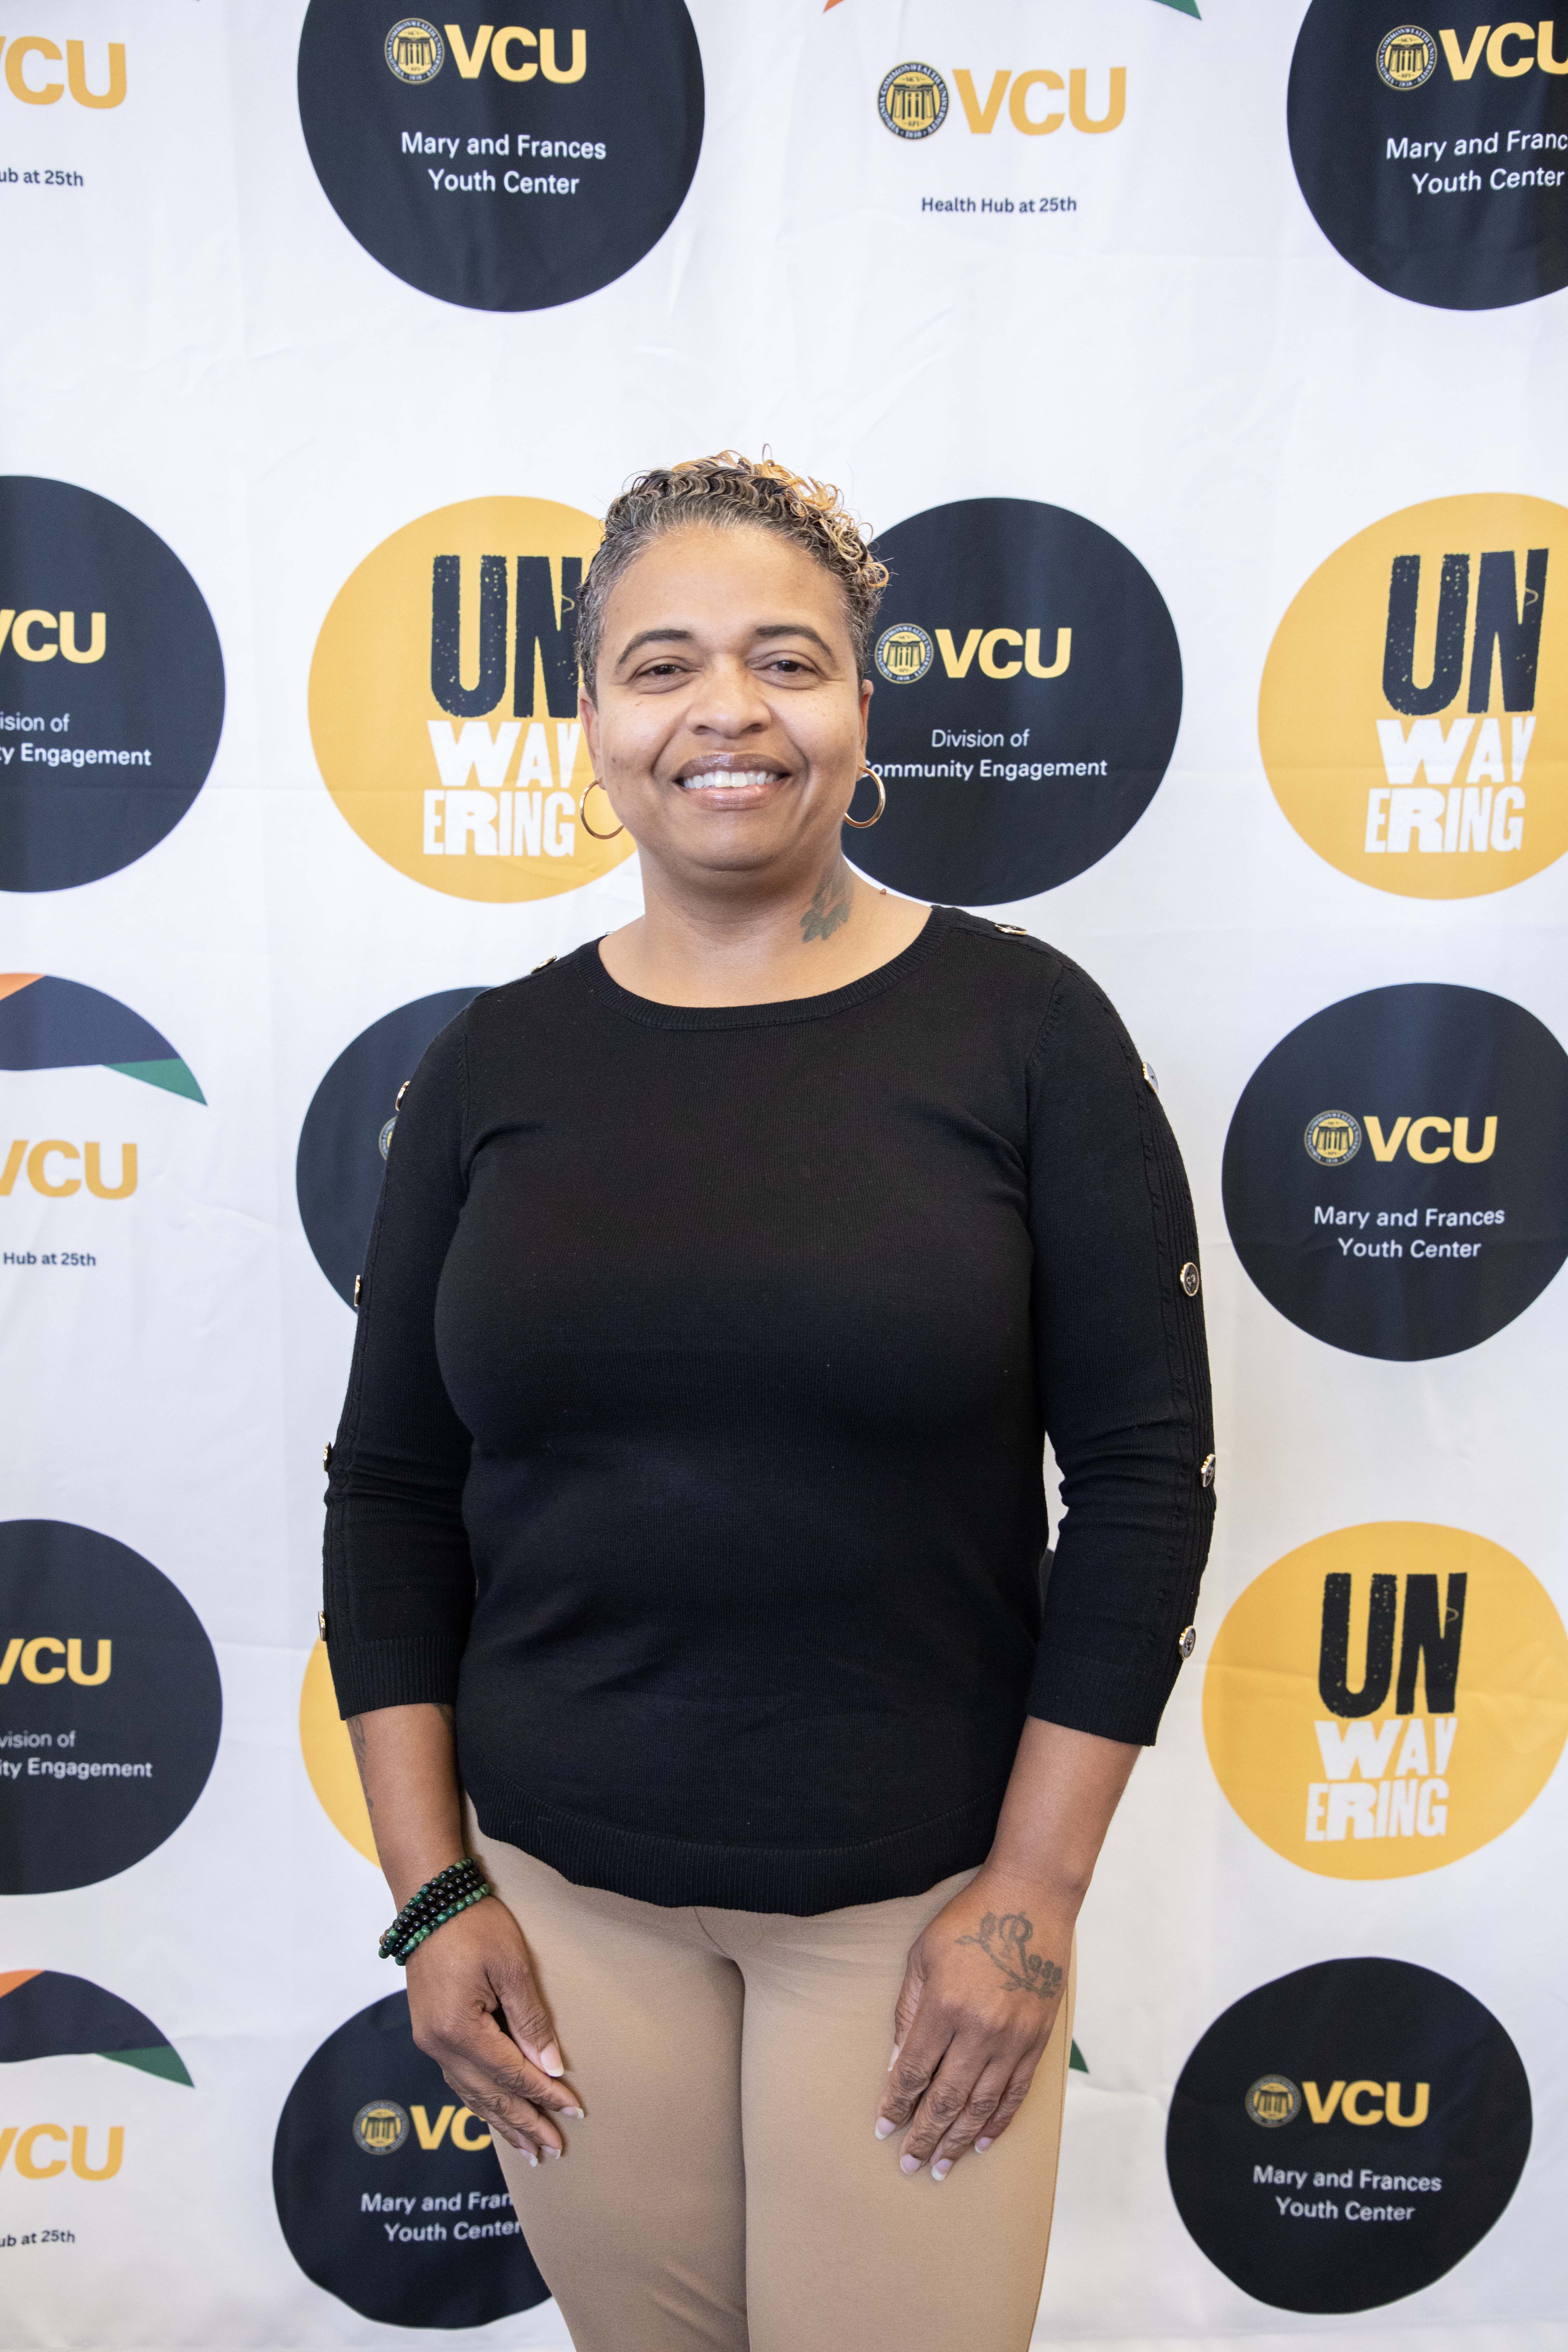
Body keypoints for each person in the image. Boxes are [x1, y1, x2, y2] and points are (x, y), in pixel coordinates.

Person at [323, 453, 1215, 2352]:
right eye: (662, 666)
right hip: (567, 1911)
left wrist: (1030, 1901)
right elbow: (392, 1488)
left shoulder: (1026, 1035)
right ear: (589, 724)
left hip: (910, 1920)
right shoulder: (491, 1065)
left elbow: (1143, 1480)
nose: (727, 710)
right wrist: (431, 1895)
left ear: (861, 708)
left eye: (784, 661)